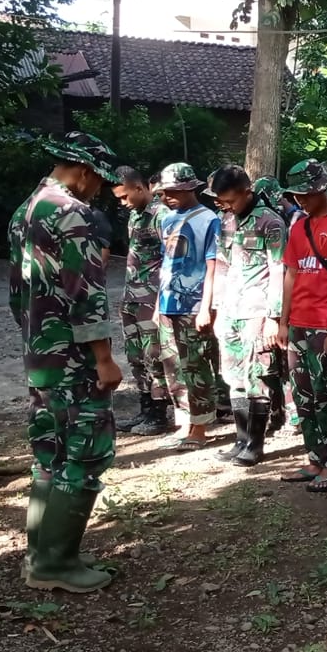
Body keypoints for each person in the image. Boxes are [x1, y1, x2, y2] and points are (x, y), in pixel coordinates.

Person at [8, 131, 124, 593]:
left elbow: (17, 293)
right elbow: (86, 292)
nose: (100, 190)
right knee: (87, 449)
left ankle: (41, 553)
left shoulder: (27, 209)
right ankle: (57, 562)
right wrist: (104, 359)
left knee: (49, 451)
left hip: (41, 351)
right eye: (100, 181)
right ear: (84, 172)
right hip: (74, 357)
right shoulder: (71, 213)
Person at [277, 159, 327, 492]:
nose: (301, 200)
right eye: (296, 195)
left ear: (322, 189)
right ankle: (313, 458)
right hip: (299, 323)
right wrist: (283, 321)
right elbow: (291, 275)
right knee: (303, 396)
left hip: (326, 325)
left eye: (306, 193)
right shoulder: (299, 227)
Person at [208, 165, 288, 468]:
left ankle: (255, 444)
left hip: (257, 312)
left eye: (230, 200)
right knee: (233, 377)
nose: (226, 206)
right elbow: (222, 266)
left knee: (257, 376)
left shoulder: (271, 222)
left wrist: (274, 318)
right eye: (221, 201)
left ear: (247, 191)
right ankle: (240, 440)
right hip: (231, 310)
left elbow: (279, 270)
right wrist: (218, 310)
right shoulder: (226, 221)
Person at [156, 162, 223, 448]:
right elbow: (166, 264)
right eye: (164, 192)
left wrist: (206, 306)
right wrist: (158, 303)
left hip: (193, 304)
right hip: (168, 301)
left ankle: (201, 425)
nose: (167, 197)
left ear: (190, 189)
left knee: (196, 364)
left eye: (173, 191)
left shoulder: (209, 219)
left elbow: (212, 265)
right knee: (173, 365)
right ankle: (185, 420)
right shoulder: (167, 220)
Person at [112, 166, 171, 436]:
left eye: (125, 196)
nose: (123, 203)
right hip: (132, 296)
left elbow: (169, 260)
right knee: (135, 356)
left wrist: (161, 300)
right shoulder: (134, 216)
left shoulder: (162, 215)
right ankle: (145, 409)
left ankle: (159, 414)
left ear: (139, 187)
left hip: (152, 297)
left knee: (154, 356)